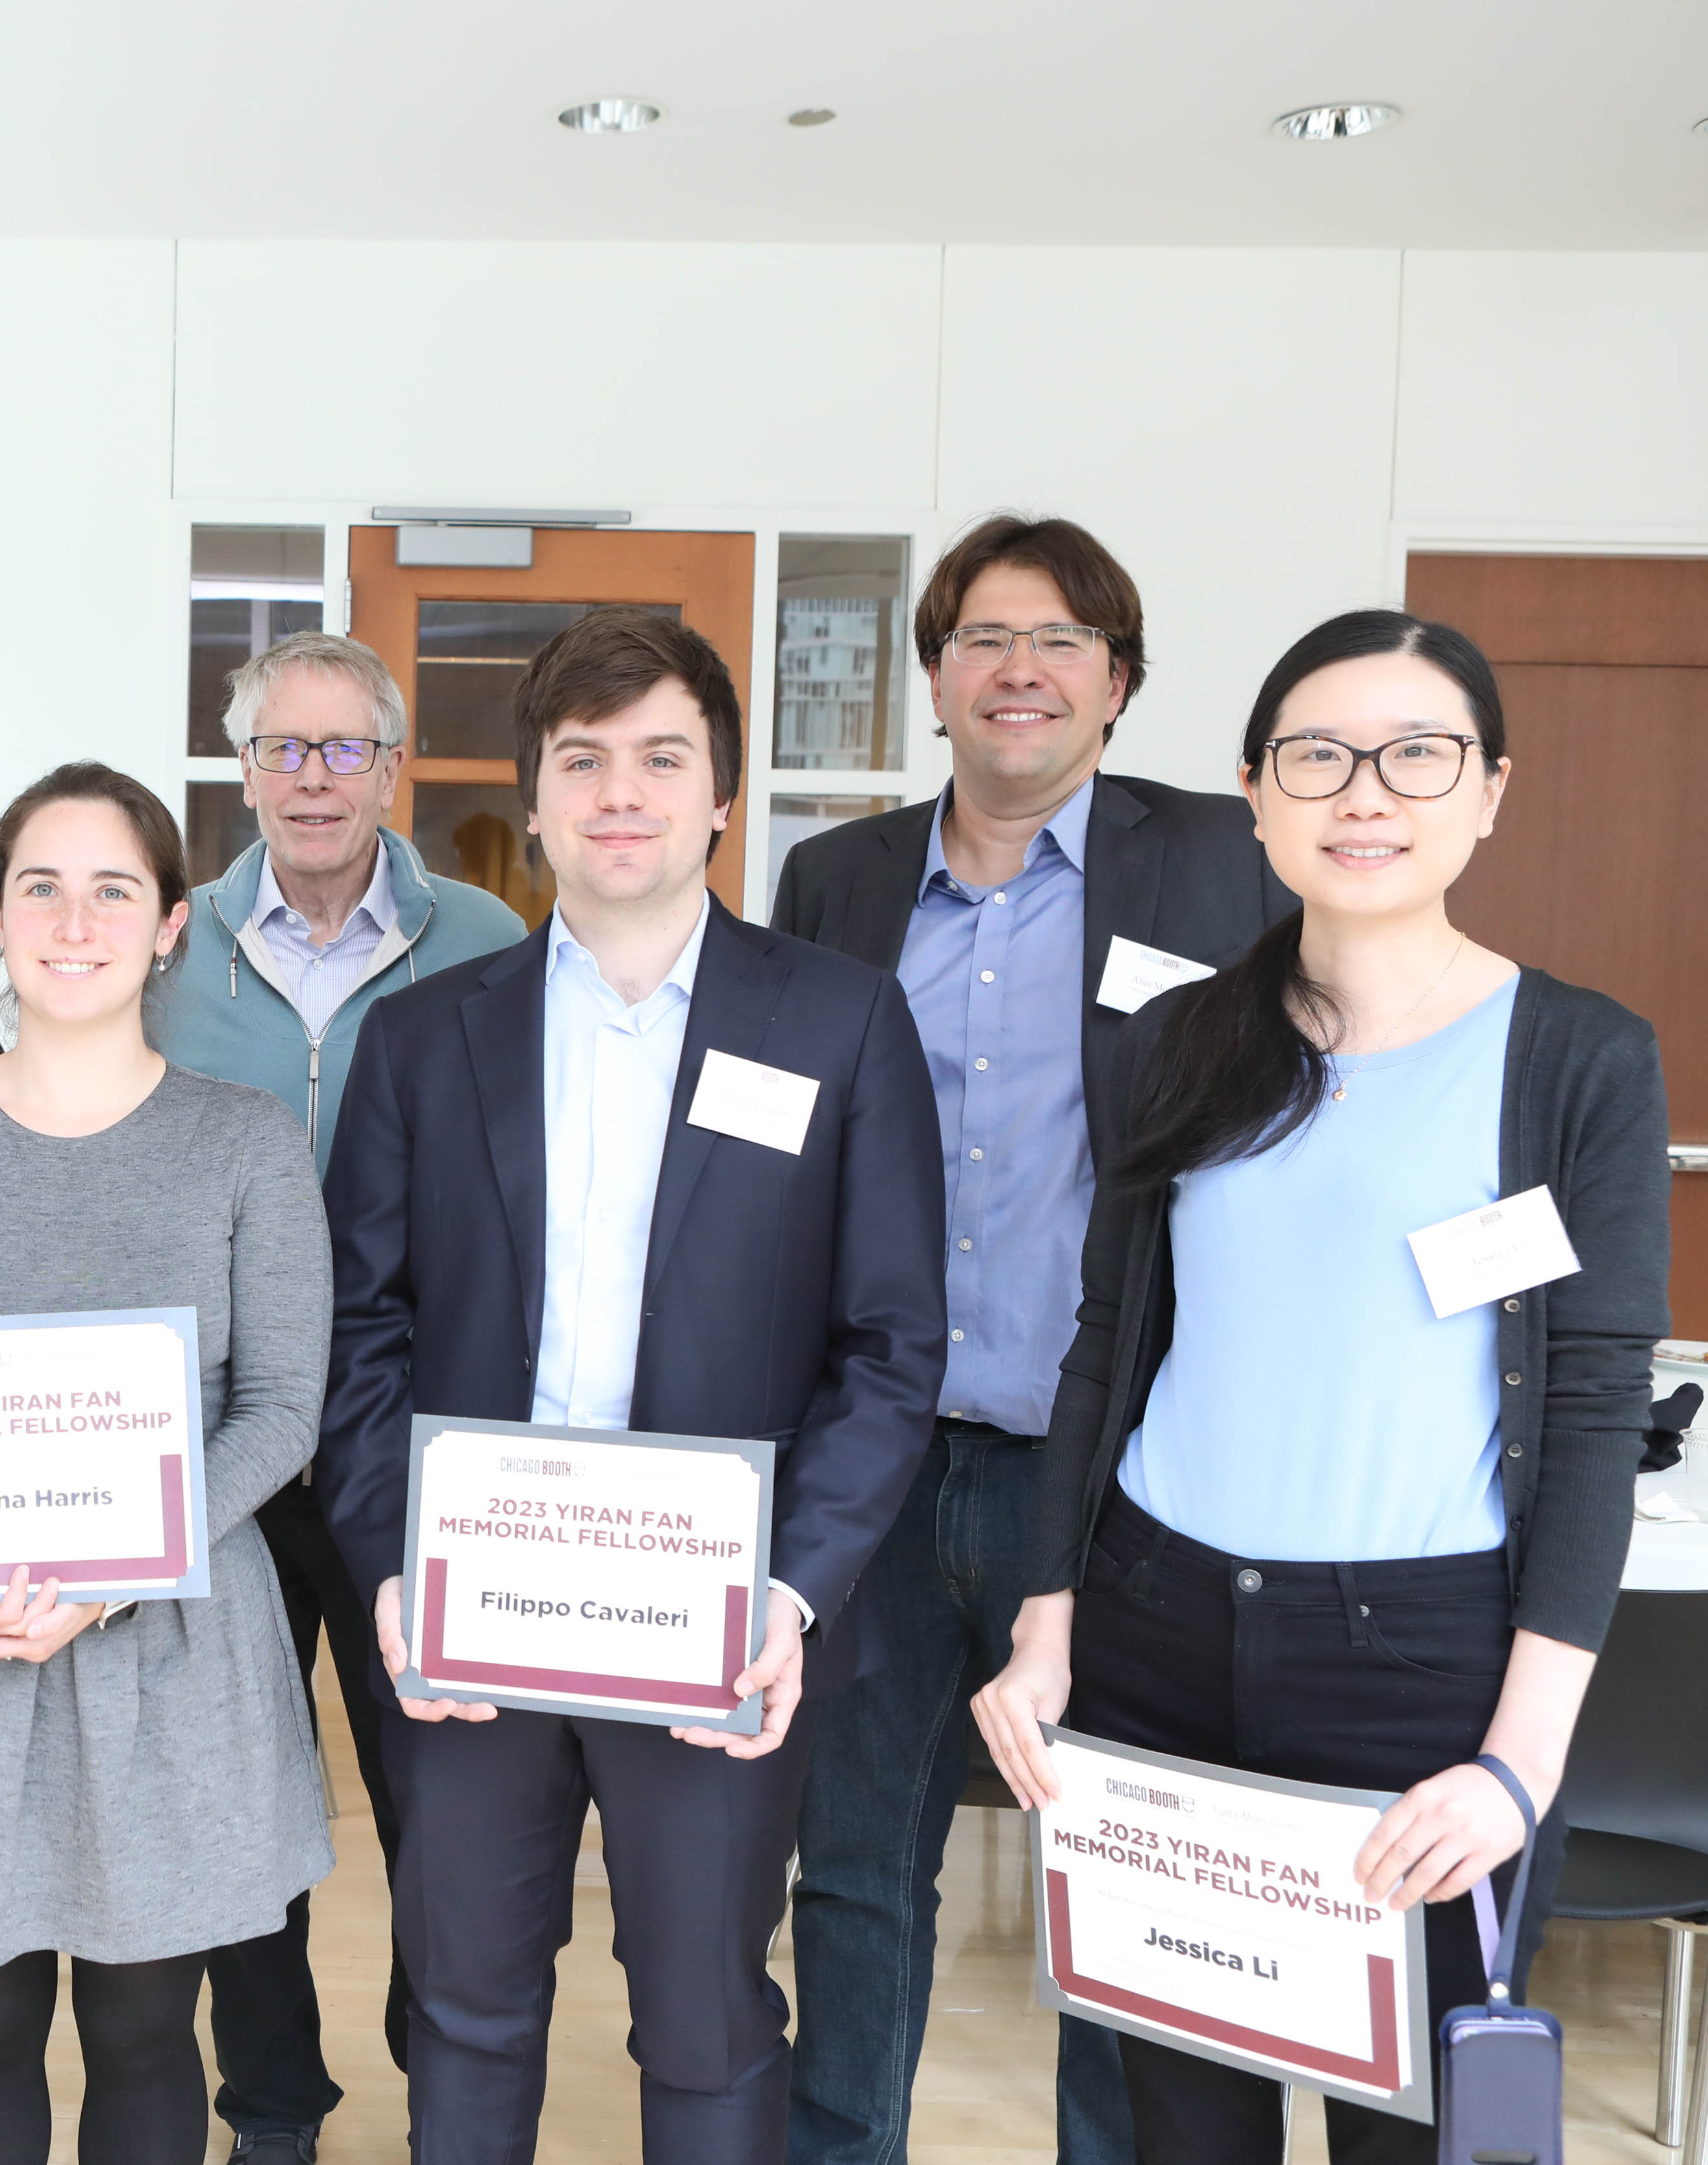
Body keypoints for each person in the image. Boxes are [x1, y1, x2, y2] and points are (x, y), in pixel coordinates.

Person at [973, 609, 1670, 2164]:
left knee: (1404, 2128)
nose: (1366, 793)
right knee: (1184, 2116)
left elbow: (1587, 1419)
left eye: (1417, 755)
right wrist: (1047, 1621)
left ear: (1488, 789)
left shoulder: (1577, 1060)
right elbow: (1111, 1343)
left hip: (1418, 1663)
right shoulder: (1178, 1040)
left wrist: (1522, 1760)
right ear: (1257, 796)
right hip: (1155, 1636)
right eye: (1319, 757)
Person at [319, 609, 946, 2165]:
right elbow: (358, 1327)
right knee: (462, 2001)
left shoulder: (839, 1019)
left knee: (708, 2015)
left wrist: (794, 1591)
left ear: (721, 793)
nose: (620, 792)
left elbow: (890, 1343)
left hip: (716, 1622)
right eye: (581, 759)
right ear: (530, 798)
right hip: (481, 1615)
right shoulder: (419, 1040)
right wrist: (399, 1561)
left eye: (661, 756)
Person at [770, 514, 1292, 2165]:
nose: (1021, 670)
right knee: (855, 1867)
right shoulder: (835, 882)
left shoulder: (1221, 863)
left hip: (1111, 1472)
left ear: (1117, 684)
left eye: (1062, 641)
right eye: (986, 638)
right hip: (881, 1456)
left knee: (1117, 1881)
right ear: (932, 676)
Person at [0, 763, 334, 2165]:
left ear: (170, 924)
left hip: (168, 1654)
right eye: (41, 884)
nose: (75, 917)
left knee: (147, 2030)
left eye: (115, 888)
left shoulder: (246, 1145)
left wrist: (108, 1570)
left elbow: (284, 1409)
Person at [157, 628, 522, 2155]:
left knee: (441, 1797)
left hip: (409, 1445)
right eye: (281, 750)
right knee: (242, 1795)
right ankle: (273, 2101)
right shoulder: (167, 946)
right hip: (225, 1446)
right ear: (244, 772)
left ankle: (445, 2074)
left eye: (343, 750)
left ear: (393, 768)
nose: (313, 780)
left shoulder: (491, 940)